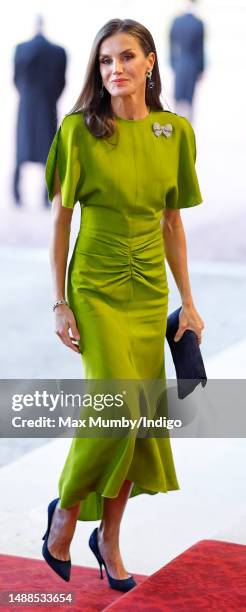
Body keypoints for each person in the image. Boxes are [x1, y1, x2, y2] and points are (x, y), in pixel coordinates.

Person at [42, 18, 205, 591]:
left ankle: (107, 539)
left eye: (127, 58)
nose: (116, 69)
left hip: (148, 294)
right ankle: (64, 513)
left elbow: (172, 222)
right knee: (114, 408)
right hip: (96, 288)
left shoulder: (175, 132)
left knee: (135, 425)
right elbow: (61, 222)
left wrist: (187, 302)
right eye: (106, 61)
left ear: (150, 63)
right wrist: (59, 302)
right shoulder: (78, 131)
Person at [13, 16, 67, 207]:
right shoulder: (59, 52)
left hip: (26, 106)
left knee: (21, 151)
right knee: (48, 151)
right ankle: (47, 195)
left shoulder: (21, 49)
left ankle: (16, 194)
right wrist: (50, 99)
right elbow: (62, 82)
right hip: (47, 105)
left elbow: (16, 78)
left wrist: (28, 95)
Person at [169, 0, 205, 122]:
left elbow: (171, 46)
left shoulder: (176, 21)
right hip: (192, 64)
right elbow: (200, 49)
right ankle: (189, 126)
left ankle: (175, 123)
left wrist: (173, 63)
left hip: (179, 63)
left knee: (178, 97)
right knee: (190, 99)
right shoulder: (198, 23)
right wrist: (201, 68)